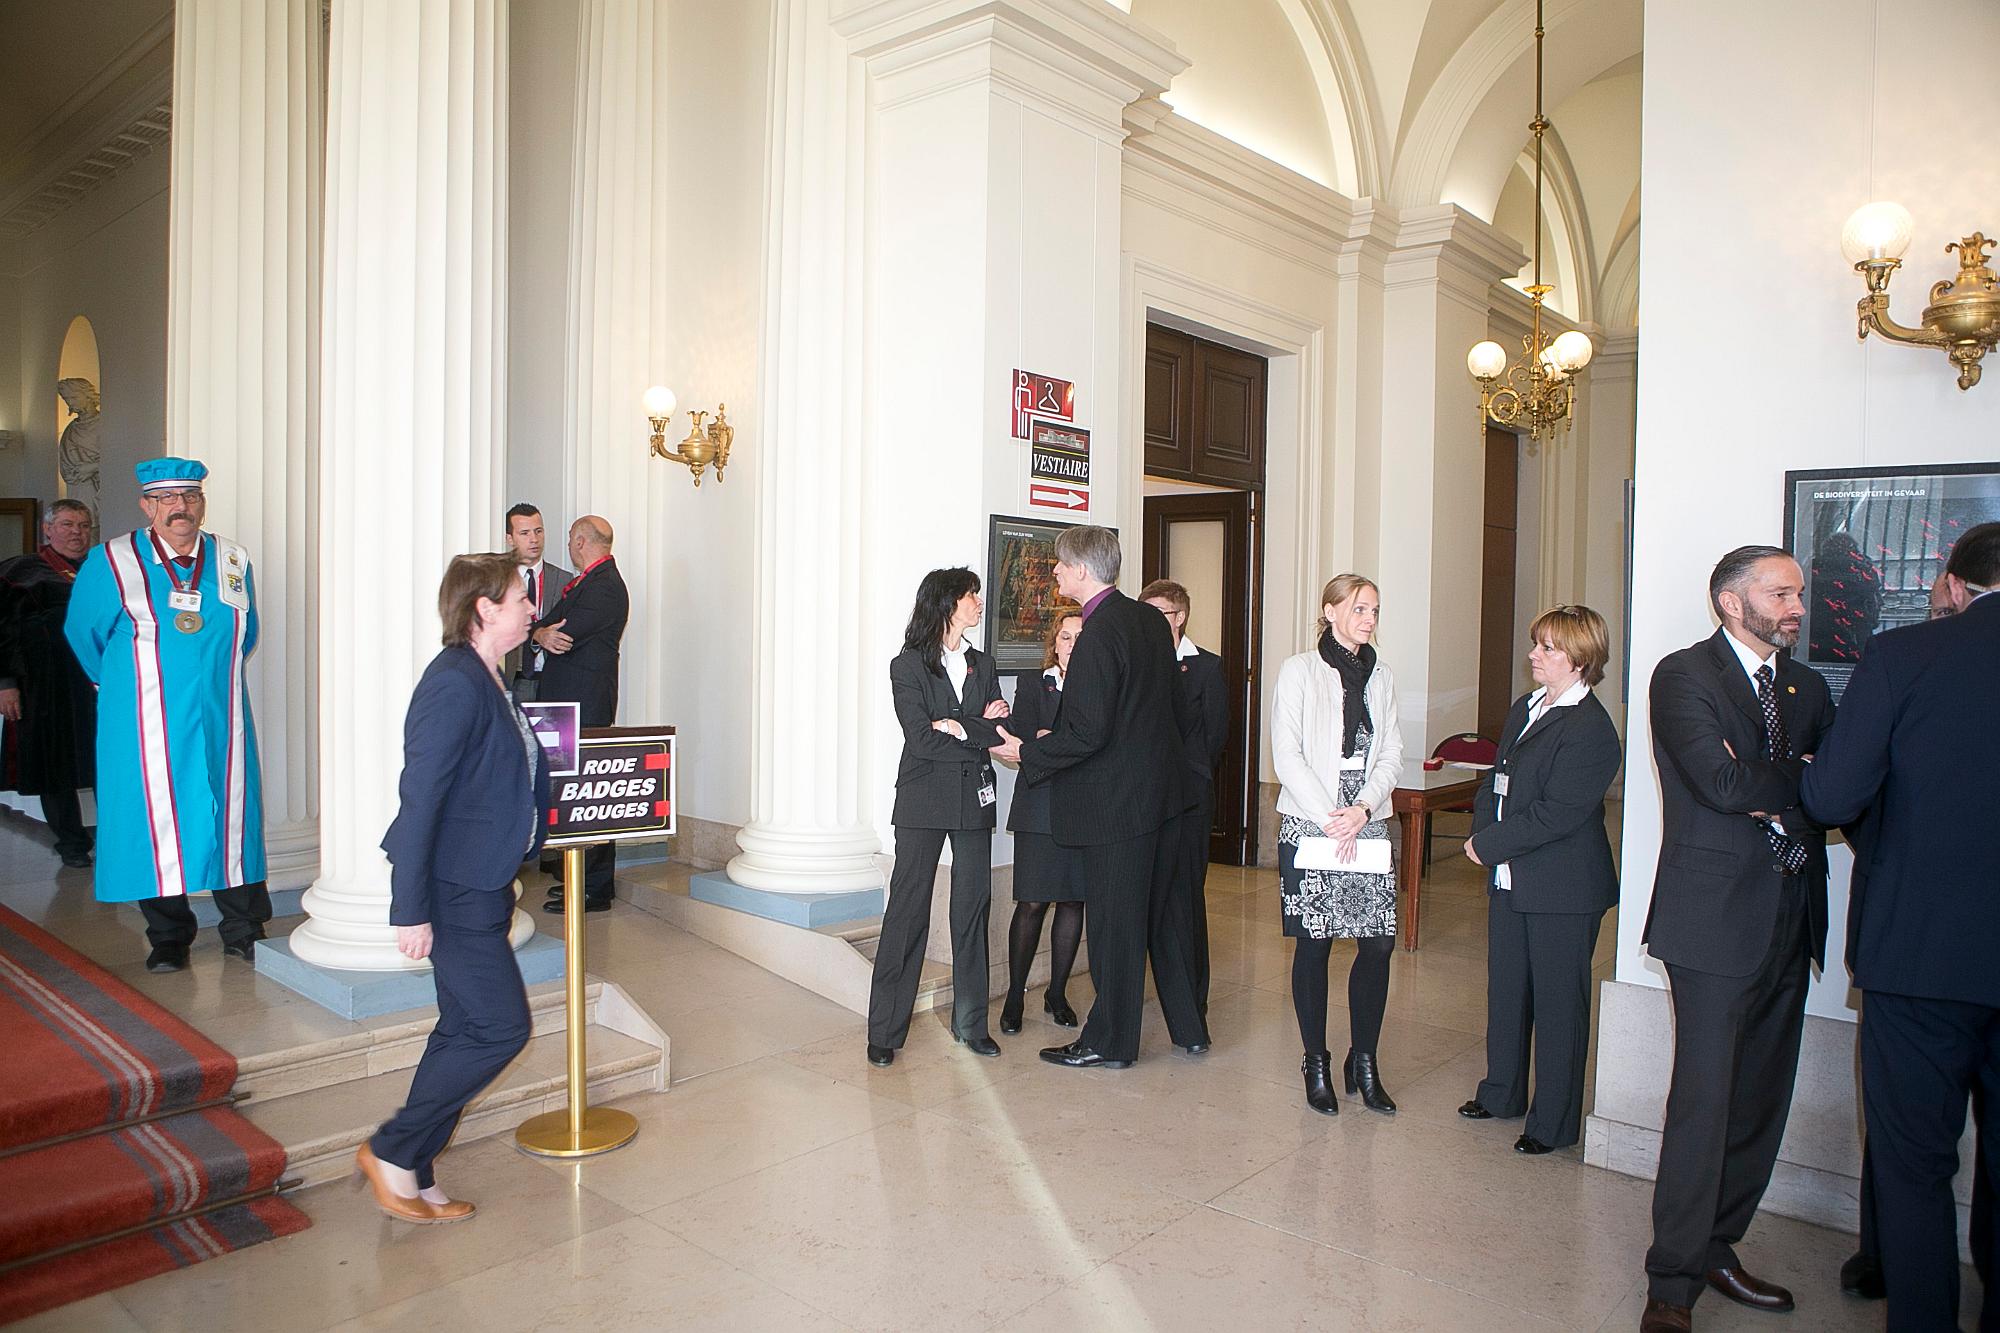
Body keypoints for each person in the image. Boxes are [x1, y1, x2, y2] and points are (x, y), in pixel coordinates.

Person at [1800, 521, 2000, 1330]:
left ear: (1952, 583)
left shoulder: (1904, 657)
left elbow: (1831, 798)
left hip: (1919, 955)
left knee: (1916, 1162)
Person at [1638, 545, 1835, 1333]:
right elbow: (1718, 785)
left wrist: (1775, 785)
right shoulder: (1684, 675)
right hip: (1712, 921)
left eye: (1798, 592)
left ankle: (1721, 1244)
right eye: (1779, 592)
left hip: (1791, 914)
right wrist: (1796, 778)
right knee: (1705, 1102)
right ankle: (1672, 1282)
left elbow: (1838, 786)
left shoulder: (1809, 686)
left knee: (1760, 1101)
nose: (1796, 605)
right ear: (1729, 600)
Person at [358, 553, 549, 1224]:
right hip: (453, 886)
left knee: (464, 1025)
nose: (532, 607)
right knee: (502, 1027)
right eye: (520, 596)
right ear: (483, 608)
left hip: (484, 880)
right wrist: (409, 908)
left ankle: (414, 1165)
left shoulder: (491, 678)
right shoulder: (453, 683)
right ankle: (391, 1147)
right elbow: (421, 799)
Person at [992, 525, 1208, 1069]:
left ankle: (1108, 1043)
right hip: (1161, 799)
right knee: (1160, 920)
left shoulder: (1098, 634)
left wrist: (1028, 754)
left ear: (1083, 571)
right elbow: (1173, 713)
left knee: (1114, 928)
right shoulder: (1147, 620)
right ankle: (1190, 1030)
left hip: (1116, 809)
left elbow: (1088, 731)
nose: (1057, 572)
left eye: (1062, 565)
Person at [64, 458, 270, 972]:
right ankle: (169, 936)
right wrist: (124, 689)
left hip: (221, 712)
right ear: (147, 505)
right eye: (167, 499)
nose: (181, 508)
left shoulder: (230, 558)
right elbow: (83, 635)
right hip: (142, 719)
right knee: (151, 819)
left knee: (232, 811)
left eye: (190, 497)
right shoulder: (111, 561)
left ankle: (244, 929)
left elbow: (249, 630)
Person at [1457, 605, 1622, 1154]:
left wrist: (1487, 844)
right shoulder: (1525, 707)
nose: (1534, 654)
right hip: (1512, 875)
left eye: (1548, 647)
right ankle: (1501, 1091)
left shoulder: (1591, 728)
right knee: (1506, 991)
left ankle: (1553, 1121)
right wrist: (1484, 830)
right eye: (1537, 643)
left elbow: (1559, 814)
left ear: (1579, 659)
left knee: (1557, 1004)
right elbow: (1495, 781)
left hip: (1563, 887)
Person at [1270, 574, 1404, 1116]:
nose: (1368, 619)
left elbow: (1392, 750)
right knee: (1316, 943)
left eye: (1374, 610)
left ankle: (1364, 1060)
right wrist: (1331, 816)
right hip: (1312, 820)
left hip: (1365, 819)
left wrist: (1364, 809)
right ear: (1329, 611)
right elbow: (1287, 752)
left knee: (1377, 943)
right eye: (1358, 609)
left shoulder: (1383, 677)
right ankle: (1316, 1061)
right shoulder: (1300, 671)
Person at [866, 567, 1009, 1066]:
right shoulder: (906, 666)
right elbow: (921, 739)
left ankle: (971, 1025)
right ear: (948, 603)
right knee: (907, 910)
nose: (978, 603)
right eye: (972, 596)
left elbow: (998, 731)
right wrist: (973, 732)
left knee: (972, 909)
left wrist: (958, 727)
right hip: (922, 802)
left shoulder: (983, 664)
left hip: (975, 798)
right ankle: (884, 1029)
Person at [530, 516, 627, 913]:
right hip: (568, 701)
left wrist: (543, 631)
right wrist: (539, 632)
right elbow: (544, 626)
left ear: (582, 540)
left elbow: (564, 632)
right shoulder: (586, 582)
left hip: (585, 703)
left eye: (570, 538)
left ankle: (595, 888)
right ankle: (578, 879)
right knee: (572, 792)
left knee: (590, 792)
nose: (568, 544)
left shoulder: (604, 586)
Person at [1141, 578, 1228, 1014]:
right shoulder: (1136, 666)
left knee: (1187, 898)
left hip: (1189, 801)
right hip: (1143, 804)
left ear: (1181, 617)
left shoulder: (1206, 667)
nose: (1155, 624)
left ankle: (1193, 996)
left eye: (1163, 615)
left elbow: (1212, 740)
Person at [997, 608, 1085, 1034]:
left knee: (1072, 901)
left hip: (1082, 809)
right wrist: (1047, 741)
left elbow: (1093, 743)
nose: (1073, 645)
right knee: (1032, 903)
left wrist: (1051, 741)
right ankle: (1016, 995)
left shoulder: (1099, 687)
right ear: (1055, 643)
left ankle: (1057, 993)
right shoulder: (1033, 684)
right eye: (1066, 638)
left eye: (1081, 638)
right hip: (1038, 807)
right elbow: (1021, 734)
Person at [0, 500, 98, 868]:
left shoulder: (102, 569)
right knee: (53, 765)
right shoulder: (20, 572)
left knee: (106, 762)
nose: (77, 533)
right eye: (68, 524)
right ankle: (71, 843)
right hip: (44, 688)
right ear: (48, 529)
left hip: (96, 685)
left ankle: (118, 839)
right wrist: (5, 683)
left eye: (84, 525)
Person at [500, 502, 571, 695]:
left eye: (538, 531)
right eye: (525, 533)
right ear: (510, 538)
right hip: (511, 677)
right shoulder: (498, 579)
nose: (534, 539)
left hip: (552, 678)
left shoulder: (564, 579)